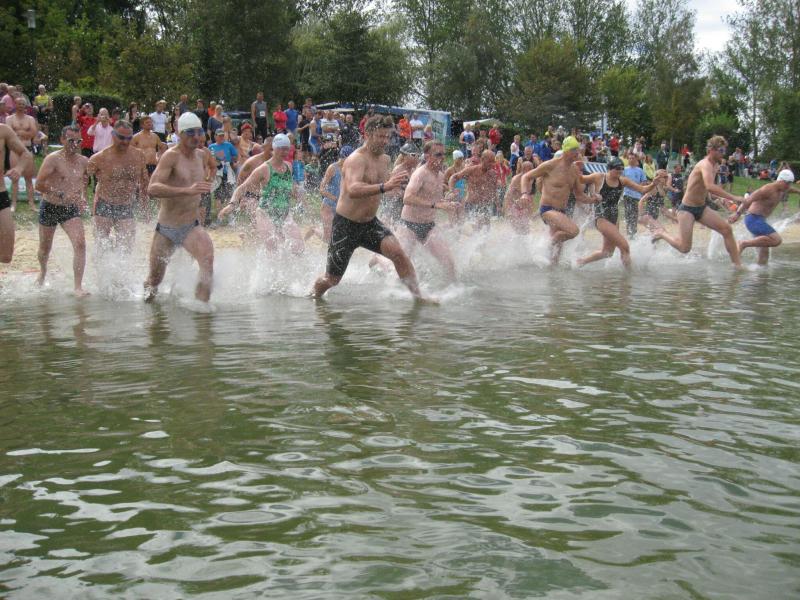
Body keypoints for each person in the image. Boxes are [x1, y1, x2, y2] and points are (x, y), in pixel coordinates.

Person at [311, 114, 428, 301]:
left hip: (370, 224)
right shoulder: (356, 159)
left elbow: (383, 188)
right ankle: (313, 296)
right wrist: (385, 186)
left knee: (399, 255)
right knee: (331, 280)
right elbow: (353, 189)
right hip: (345, 226)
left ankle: (419, 298)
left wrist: (396, 188)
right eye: (380, 136)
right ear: (368, 134)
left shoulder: (385, 159)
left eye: (387, 136)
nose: (385, 141)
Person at [143, 112, 214, 302]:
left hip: (191, 226)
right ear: (180, 133)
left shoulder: (202, 155)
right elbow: (152, 188)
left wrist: (209, 182)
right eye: (190, 133)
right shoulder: (171, 157)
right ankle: (149, 309)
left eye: (199, 132)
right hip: (167, 228)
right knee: (154, 281)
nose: (196, 137)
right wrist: (186, 190)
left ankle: (202, 311)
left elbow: (212, 168)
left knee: (207, 264)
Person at [653, 136, 743, 266]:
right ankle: (662, 233)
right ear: (711, 150)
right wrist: (734, 197)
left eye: (724, 150)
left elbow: (707, 189)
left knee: (727, 230)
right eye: (721, 150)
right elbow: (709, 186)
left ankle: (738, 266)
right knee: (684, 248)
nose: (724, 153)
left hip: (701, 208)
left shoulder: (715, 165)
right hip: (687, 210)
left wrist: (722, 199)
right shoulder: (705, 164)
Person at [519, 136, 600, 264]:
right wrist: (524, 194)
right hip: (547, 209)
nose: (577, 153)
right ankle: (546, 246)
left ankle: (550, 269)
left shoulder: (574, 171)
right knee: (573, 231)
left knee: (556, 255)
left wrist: (593, 200)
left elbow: (579, 196)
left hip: (561, 211)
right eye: (574, 150)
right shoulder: (550, 165)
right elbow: (526, 177)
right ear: (566, 150)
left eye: (578, 150)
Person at [222, 134, 303, 254]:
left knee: (299, 247)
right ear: (274, 148)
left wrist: (296, 192)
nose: (284, 152)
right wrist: (232, 204)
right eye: (281, 148)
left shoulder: (288, 166)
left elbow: (289, 186)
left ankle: (251, 237)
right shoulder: (263, 168)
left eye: (287, 149)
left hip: (284, 213)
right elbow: (241, 187)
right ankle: (253, 249)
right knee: (273, 248)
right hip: (266, 213)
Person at [33, 125, 89, 295]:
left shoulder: (83, 161)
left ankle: (78, 287)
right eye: (71, 140)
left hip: (70, 208)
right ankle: (43, 271)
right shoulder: (53, 159)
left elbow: (84, 180)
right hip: (50, 206)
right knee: (45, 248)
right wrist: (60, 193)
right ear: (62, 140)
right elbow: (38, 185)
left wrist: (83, 197)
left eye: (78, 141)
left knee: (80, 244)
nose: (75, 144)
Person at [576, 157, 662, 269]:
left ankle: (581, 261)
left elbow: (642, 189)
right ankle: (628, 275)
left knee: (607, 252)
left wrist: (653, 184)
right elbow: (581, 179)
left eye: (621, 168)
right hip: (601, 218)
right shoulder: (599, 177)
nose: (620, 171)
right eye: (617, 168)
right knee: (624, 246)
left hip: (614, 218)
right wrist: (576, 168)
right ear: (610, 168)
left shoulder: (623, 181)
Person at [393, 140, 458, 280]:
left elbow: (434, 199)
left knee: (449, 263)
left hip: (429, 226)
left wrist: (447, 201)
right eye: (438, 155)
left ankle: (452, 290)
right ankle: (379, 259)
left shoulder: (440, 176)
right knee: (399, 269)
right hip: (409, 225)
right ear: (427, 156)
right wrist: (436, 205)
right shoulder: (420, 174)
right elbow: (407, 198)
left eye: (443, 154)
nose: (442, 158)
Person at [87, 120, 149, 253]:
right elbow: (82, 178)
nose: (125, 142)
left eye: (129, 138)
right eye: (121, 137)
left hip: (126, 205)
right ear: (113, 135)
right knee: (101, 246)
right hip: (104, 203)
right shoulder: (99, 158)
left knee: (126, 248)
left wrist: (145, 207)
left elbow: (144, 182)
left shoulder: (138, 156)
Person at [729, 169, 795, 265]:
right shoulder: (767, 189)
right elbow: (749, 200)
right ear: (781, 180)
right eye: (787, 183)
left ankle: (742, 268)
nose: (789, 186)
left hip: (760, 220)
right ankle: (744, 243)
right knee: (776, 240)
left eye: (790, 183)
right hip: (753, 219)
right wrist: (737, 214)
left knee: (764, 253)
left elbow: (793, 190)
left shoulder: (783, 189)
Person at [448, 149, 499, 230]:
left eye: (493, 161)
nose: (492, 164)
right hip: (471, 205)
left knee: (486, 230)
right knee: (473, 230)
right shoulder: (472, 170)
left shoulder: (493, 174)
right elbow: (453, 178)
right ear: (482, 159)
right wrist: (451, 191)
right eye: (490, 161)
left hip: (485, 206)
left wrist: (497, 205)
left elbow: (494, 191)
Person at [0, 123, 30, 261]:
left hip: (0, 193)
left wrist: (19, 169)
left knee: (6, 255)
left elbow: (25, 153)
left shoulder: (3, 130)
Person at [6, 96, 38, 211]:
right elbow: (9, 134)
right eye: (19, 104)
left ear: (26, 106)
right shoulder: (9, 118)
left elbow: (33, 132)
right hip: (15, 150)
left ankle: (31, 203)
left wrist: (19, 133)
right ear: (15, 105)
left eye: (23, 104)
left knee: (28, 178)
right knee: (15, 178)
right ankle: (14, 203)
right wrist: (25, 133)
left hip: (27, 148)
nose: (21, 106)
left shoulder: (30, 119)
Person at [318, 145, 354, 242]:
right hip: (328, 206)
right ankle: (314, 231)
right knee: (327, 238)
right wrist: (334, 198)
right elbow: (321, 189)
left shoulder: (349, 170)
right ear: (343, 157)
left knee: (341, 237)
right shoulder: (332, 168)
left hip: (340, 208)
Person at [383, 143, 420, 226]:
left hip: (404, 203)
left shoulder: (413, 170)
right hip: (395, 204)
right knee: (393, 226)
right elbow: (392, 192)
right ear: (404, 157)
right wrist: (408, 195)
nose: (416, 158)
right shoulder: (399, 170)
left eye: (418, 155)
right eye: (413, 155)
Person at [503, 160, 535, 234]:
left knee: (526, 231)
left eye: (533, 168)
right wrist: (508, 211)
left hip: (524, 208)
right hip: (514, 207)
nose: (533, 170)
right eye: (531, 168)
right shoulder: (516, 179)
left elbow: (529, 196)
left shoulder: (531, 178)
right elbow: (508, 195)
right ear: (524, 169)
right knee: (518, 231)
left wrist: (530, 210)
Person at [621, 153, 648, 237]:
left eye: (632, 158)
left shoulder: (640, 170)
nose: (631, 160)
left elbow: (644, 181)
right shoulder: (624, 170)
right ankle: (629, 232)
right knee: (628, 213)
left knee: (635, 214)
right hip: (627, 194)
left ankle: (634, 232)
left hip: (637, 195)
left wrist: (637, 187)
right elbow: (621, 182)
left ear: (636, 160)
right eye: (629, 158)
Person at [33, 85, 53, 151]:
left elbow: (51, 107)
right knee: (39, 132)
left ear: (45, 90)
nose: (41, 90)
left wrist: (46, 108)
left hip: (46, 115)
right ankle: (39, 148)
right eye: (40, 89)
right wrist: (35, 107)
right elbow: (34, 106)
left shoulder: (48, 97)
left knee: (45, 132)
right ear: (39, 90)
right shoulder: (37, 97)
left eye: (42, 89)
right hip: (39, 116)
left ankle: (45, 148)